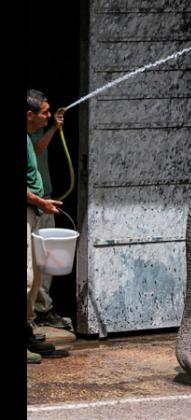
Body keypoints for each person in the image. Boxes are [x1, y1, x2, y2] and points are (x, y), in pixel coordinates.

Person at [28, 90, 73, 331]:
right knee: (32, 264)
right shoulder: (29, 135)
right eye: (44, 112)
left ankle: (41, 309)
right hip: (34, 204)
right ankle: (37, 314)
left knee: (44, 262)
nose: (48, 115)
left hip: (44, 200)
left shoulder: (38, 127)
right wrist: (54, 129)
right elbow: (37, 150)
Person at [27, 89, 64, 364]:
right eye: (45, 113)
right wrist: (39, 200)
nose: (48, 115)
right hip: (29, 210)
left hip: (35, 210)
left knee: (36, 276)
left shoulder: (30, 137)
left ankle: (27, 330)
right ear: (30, 115)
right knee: (27, 278)